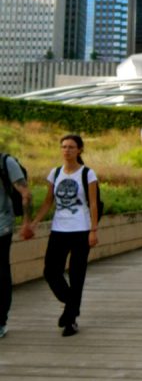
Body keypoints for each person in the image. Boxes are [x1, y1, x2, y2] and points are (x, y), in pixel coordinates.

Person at [28, 134, 99, 337]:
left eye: (71, 147)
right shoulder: (55, 173)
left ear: (79, 150)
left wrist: (94, 230)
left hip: (81, 230)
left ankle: (70, 320)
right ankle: (71, 304)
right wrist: (34, 223)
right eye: (63, 147)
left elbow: (93, 203)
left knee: (77, 275)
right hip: (59, 230)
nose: (66, 150)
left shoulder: (88, 174)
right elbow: (48, 202)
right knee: (51, 272)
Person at [0, 153, 32, 338]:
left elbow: (25, 193)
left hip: (2, 226)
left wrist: (26, 222)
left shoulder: (6, 162)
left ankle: (1, 321)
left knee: (1, 273)